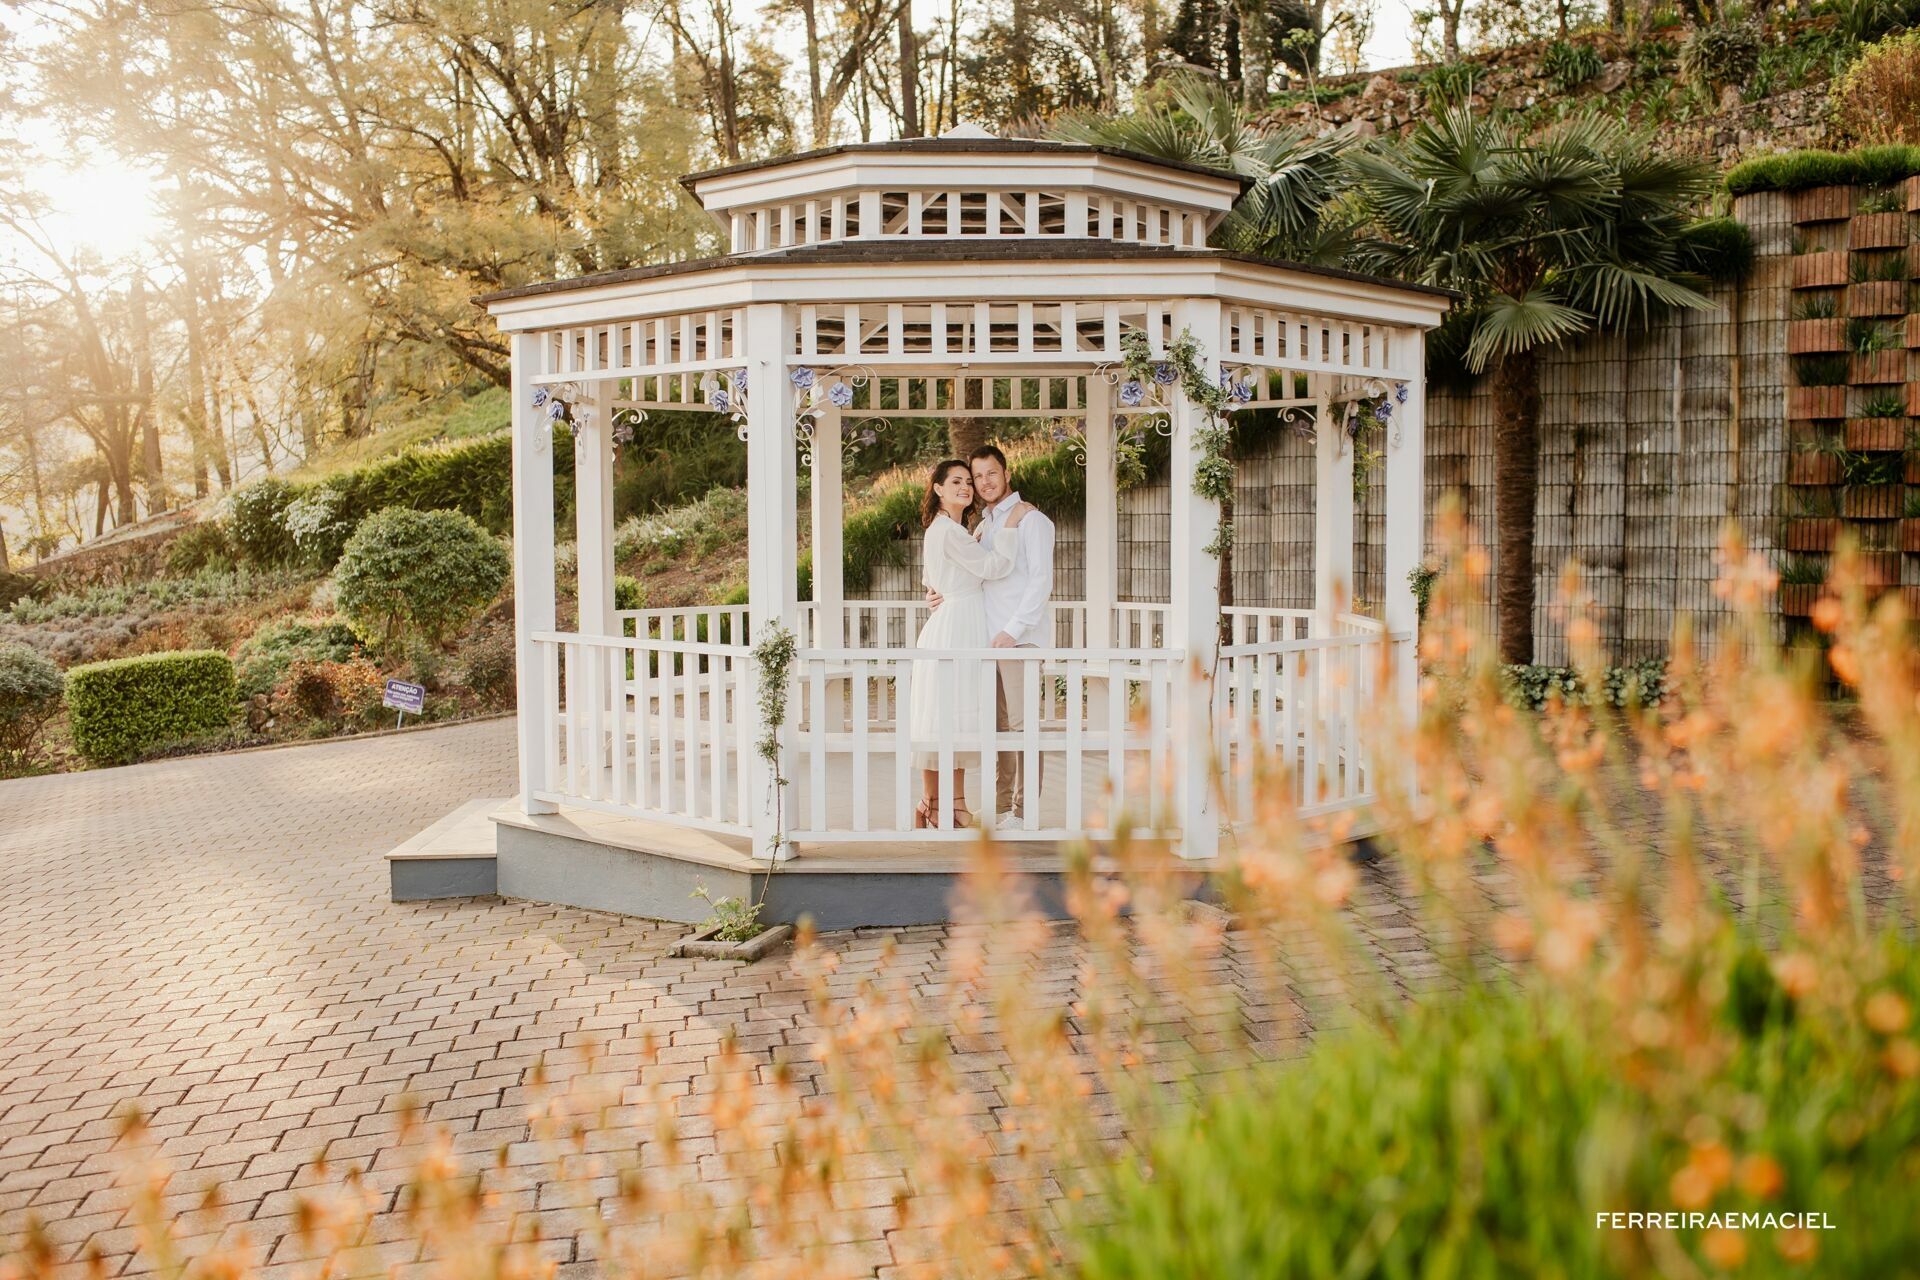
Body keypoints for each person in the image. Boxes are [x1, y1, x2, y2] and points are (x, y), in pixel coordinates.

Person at [926, 445, 1056, 819]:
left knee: (1023, 727)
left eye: (990, 474)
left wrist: (1013, 631)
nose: (983, 482)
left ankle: (1023, 812)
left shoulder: (1031, 520)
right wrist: (937, 593)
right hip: (984, 640)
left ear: (1006, 474)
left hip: (1018, 639)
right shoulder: (983, 525)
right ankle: (1000, 810)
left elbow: (1040, 583)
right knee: (1000, 730)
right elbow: (969, 573)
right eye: (976, 476)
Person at [909, 459, 1035, 829]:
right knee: (952, 715)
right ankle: (948, 806)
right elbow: (994, 568)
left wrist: (937, 592)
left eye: (969, 481)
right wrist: (1012, 525)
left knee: (944, 716)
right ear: (938, 489)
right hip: (958, 627)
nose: (966, 487)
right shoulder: (949, 530)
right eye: (956, 481)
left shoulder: (947, 529)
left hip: (949, 623)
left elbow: (929, 578)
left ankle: (934, 804)